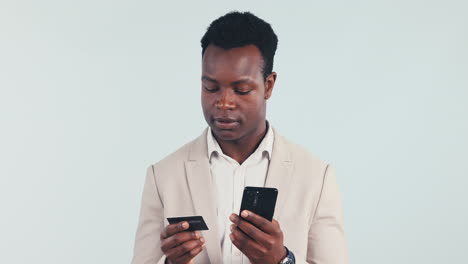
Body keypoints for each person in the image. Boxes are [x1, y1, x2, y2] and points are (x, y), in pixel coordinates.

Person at [131, 11, 347, 264]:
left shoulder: (316, 177)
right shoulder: (163, 175)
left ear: (268, 86)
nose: (223, 103)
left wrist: (281, 261)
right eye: (210, 88)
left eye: (241, 90)